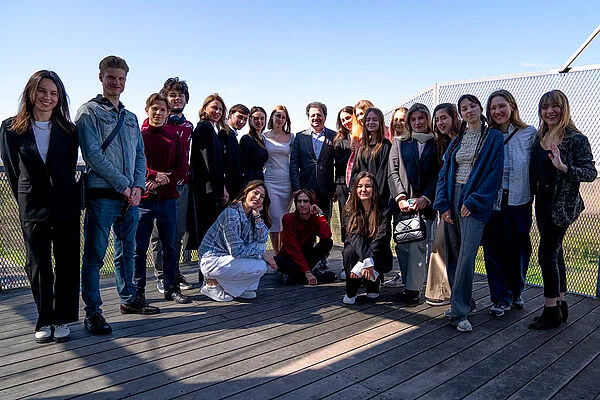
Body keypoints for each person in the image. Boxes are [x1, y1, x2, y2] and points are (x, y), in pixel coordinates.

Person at [0, 70, 80, 343]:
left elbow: (68, 168)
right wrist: (25, 199)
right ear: (31, 93)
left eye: (54, 93)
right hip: (32, 205)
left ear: (60, 98)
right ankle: (44, 317)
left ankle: (62, 318)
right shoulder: (11, 128)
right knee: (38, 263)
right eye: (42, 91)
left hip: (65, 204)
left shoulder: (69, 131)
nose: (48, 97)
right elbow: (13, 171)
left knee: (67, 261)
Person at [77, 56, 147, 335]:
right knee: (95, 255)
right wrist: (124, 186)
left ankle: (128, 299)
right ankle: (93, 311)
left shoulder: (130, 118)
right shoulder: (89, 112)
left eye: (121, 78)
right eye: (111, 77)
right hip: (103, 195)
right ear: (101, 78)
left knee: (126, 252)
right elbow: (92, 155)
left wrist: (138, 187)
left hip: (130, 197)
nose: (116, 83)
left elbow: (140, 154)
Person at [434, 94, 503, 332]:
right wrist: (443, 204)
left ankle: (459, 313)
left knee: (466, 257)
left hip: (473, 201)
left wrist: (474, 201)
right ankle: (464, 303)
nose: (469, 111)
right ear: (460, 114)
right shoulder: (457, 140)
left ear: (480, 108)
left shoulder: (493, 138)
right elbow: (444, 174)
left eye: (472, 106)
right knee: (453, 254)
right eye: (464, 108)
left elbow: (493, 174)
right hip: (452, 197)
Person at [528, 90, 596, 329]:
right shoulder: (540, 137)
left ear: (564, 108)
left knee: (545, 255)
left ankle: (550, 311)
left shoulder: (575, 139)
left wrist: (564, 167)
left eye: (554, 106)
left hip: (561, 206)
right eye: (545, 107)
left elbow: (590, 172)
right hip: (541, 203)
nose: (549, 111)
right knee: (555, 253)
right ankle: (561, 303)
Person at [482, 90, 538, 317]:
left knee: (519, 249)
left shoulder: (529, 133)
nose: (497, 111)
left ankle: (516, 291)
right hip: (493, 201)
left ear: (512, 106)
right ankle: (500, 297)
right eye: (493, 108)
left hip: (520, 200)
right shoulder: (487, 136)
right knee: (493, 250)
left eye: (501, 106)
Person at [133, 93, 190, 307]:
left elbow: (182, 166)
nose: (158, 113)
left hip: (168, 199)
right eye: (154, 108)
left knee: (170, 246)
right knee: (139, 249)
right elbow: (133, 162)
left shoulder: (174, 136)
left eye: (163, 109)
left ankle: (171, 288)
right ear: (147, 109)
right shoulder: (139, 135)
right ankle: (138, 292)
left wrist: (161, 181)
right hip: (144, 200)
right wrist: (152, 176)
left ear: (168, 113)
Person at [388, 103, 440, 305]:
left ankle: (413, 290)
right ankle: (407, 284)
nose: (417, 122)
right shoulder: (399, 142)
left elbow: (438, 174)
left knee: (418, 246)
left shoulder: (436, 143)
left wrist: (426, 198)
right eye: (413, 119)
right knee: (402, 244)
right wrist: (400, 197)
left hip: (424, 205)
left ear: (428, 119)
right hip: (403, 204)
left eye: (421, 118)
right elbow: (393, 172)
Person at [149, 77, 194, 294]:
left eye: (180, 95)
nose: (177, 99)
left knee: (178, 232)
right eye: (172, 95)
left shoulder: (188, 126)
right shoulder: (155, 122)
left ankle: (174, 272)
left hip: (180, 185)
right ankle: (161, 274)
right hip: (157, 186)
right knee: (159, 234)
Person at [199, 180, 275, 302]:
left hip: (226, 258)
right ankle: (211, 285)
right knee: (260, 265)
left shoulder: (251, 214)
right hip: (211, 260)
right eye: (255, 193)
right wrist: (262, 255)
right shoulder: (232, 214)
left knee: (260, 246)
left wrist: (257, 216)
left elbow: (262, 239)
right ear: (246, 192)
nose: (257, 198)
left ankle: (241, 288)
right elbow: (236, 251)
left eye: (262, 196)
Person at [424, 103, 460, 306]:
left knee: (458, 249)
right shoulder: (440, 143)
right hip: (446, 203)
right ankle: (439, 292)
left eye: (444, 118)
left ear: (455, 117)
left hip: (464, 201)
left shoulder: (464, 139)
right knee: (440, 243)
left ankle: (454, 294)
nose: (440, 123)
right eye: (437, 119)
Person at [186, 93, 230, 252]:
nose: (217, 112)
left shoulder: (210, 128)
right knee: (208, 233)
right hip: (207, 190)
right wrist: (221, 187)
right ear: (205, 108)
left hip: (209, 188)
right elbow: (209, 163)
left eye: (220, 109)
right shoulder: (204, 128)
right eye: (214, 108)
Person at [342, 172, 393, 304]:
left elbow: (382, 236)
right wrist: (366, 259)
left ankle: (373, 284)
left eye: (368, 186)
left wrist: (363, 262)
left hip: (377, 249)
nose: (363, 190)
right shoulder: (348, 209)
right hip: (357, 247)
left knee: (379, 248)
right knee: (350, 251)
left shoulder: (384, 208)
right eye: (359, 186)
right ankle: (351, 290)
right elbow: (354, 236)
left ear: (374, 189)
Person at [274, 189, 335, 285]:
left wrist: (320, 214)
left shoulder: (315, 218)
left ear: (312, 203)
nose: (302, 204)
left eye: (306, 201)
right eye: (299, 201)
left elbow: (326, 236)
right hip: (289, 256)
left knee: (327, 242)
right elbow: (292, 247)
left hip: (306, 255)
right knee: (281, 261)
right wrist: (307, 271)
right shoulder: (288, 218)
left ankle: (294, 276)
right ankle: (314, 276)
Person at [290, 101, 336, 221]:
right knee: (304, 224)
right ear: (308, 118)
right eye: (312, 115)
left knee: (324, 222)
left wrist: (335, 188)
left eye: (319, 115)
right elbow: (294, 163)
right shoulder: (300, 137)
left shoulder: (334, 136)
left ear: (325, 116)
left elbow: (338, 164)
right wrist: (296, 188)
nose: (316, 118)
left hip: (325, 190)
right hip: (305, 189)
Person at [383, 106, 409, 288]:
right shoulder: (390, 141)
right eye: (396, 120)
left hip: (407, 198)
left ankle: (409, 279)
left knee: (410, 239)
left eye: (402, 119)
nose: (398, 123)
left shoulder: (411, 142)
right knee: (398, 238)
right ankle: (403, 275)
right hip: (391, 199)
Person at [264, 105, 294, 253]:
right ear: (272, 117)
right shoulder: (263, 136)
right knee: (275, 217)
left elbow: (294, 160)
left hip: (286, 182)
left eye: (283, 117)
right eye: (277, 116)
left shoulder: (291, 137)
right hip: (270, 181)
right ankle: (277, 252)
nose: (280, 119)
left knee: (284, 218)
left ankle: (283, 251)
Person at [350, 107, 392, 201]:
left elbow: (383, 172)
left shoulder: (385, 145)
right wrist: (355, 190)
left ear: (380, 122)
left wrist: (374, 193)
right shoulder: (362, 147)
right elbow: (355, 171)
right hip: (362, 195)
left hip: (378, 196)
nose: (371, 122)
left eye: (375, 120)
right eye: (368, 120)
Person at [333, 106, 353, 280]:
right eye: (343, 119)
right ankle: (347, 266)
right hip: (343, 187)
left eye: (348, 117)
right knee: (346, 226)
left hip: (362, 188)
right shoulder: (340, 140)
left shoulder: (364, 136)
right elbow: (338, 164)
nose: (346, 122)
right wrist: (352, 151)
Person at [345, 100, 375, 188]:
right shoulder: (358, 137)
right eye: (357, 115)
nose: (360, 118)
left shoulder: (385, 133)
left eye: (362, 113)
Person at [240, 106, 268, 183]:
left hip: (260, 179)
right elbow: (243, 165)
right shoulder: (246, 139)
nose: (259, 121)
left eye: (262, 118)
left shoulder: (263, 139)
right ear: (250, 120)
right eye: (255, 118)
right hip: (250, 181)